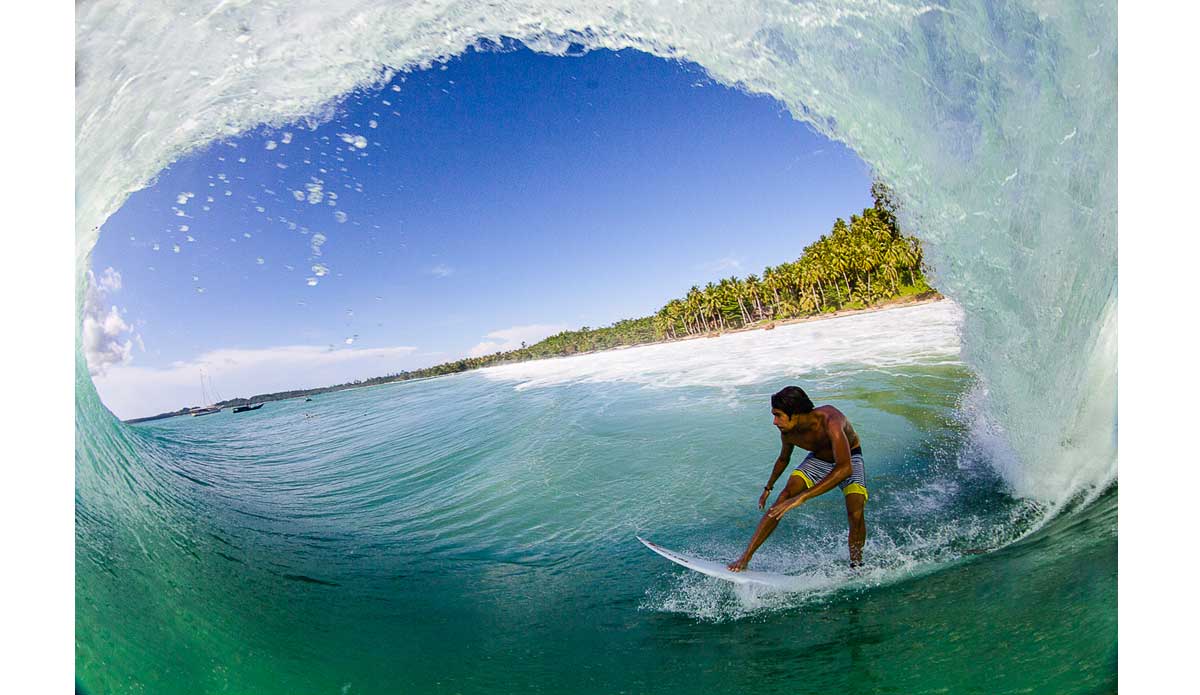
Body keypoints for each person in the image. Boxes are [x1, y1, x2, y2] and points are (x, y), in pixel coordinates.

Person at [727, 385, 868, 571]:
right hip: (819, 458)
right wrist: (768, 487)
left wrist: (802, 497)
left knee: (855, 512)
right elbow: (783, 458)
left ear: (796, 412)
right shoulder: (788, 431)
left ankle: (857, 565)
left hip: (849, 458)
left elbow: (844, 469)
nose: (774, 422)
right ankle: (745, 558)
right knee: (784, 497)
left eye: (778, 415)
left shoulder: (830, 421)